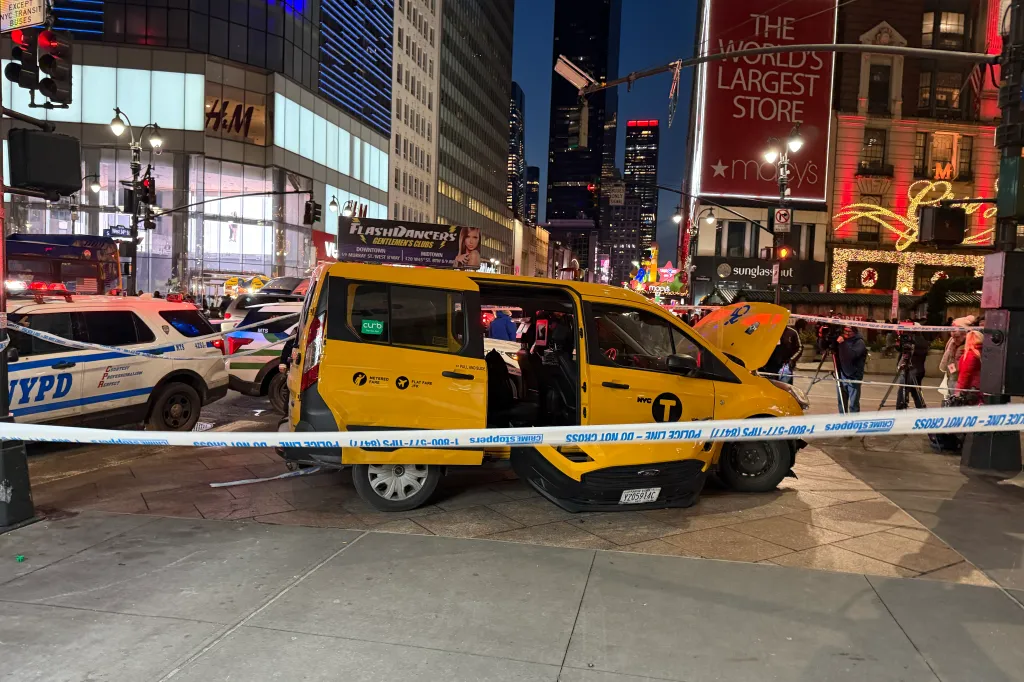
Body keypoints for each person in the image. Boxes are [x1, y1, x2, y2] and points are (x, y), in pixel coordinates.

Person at [939, 315, 974, 398]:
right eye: (953, 337)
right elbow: (948, 358)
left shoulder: (970, 344)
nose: (955, 339)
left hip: (963, 380)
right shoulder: (952, 343)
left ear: (965, 334)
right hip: (951, 376)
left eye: (957, 337)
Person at [835, 324, 867, 412]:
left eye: (849, 331)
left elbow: (850, 356)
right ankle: (842, 421)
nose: (847, 333)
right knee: (841, 402)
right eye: (845, 331)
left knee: (853, 404)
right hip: (841, 374)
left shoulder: (859, 342)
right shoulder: (842, 339)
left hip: (854, 376)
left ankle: (853, 422)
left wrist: (842, 344)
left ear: (855, 332)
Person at [956, 330, 984, 405]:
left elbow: (965, 375)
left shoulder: (970, 355)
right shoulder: (983, 353)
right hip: (981, 390)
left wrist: (958, 391)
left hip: (971, 391)